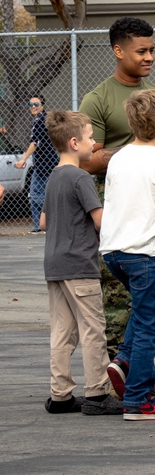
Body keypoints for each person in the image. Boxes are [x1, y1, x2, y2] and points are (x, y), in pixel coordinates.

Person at [79, 17, 155, 364]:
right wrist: (140, 146)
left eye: (152, 50)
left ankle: (137, 373)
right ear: (118, 50)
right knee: (118, 298)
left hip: (154, 210)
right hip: (118, 214)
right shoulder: (98, 98)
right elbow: (88, 160)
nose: (149, 57)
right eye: (141, 51)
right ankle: (117, 373)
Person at [99, 90, 155, 420]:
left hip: (112, 252)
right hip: (143, 254)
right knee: (149, 325)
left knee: (140, 310)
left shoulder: (117, 158)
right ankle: (138, 399)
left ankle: (123, 360)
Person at [40, 110, 120, 416]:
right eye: (89, 138)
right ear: (74, 143)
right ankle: (98, 392)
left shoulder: (54, 177)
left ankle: (60, 394)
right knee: (92, 328)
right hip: (79, 265)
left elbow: (45, 222)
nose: (94, 143)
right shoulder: (81, 178)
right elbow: (100, 221)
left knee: (62, 330)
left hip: (54, 265)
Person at [15, 95, 59, 233]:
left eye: (36, 104)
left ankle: (41, 225)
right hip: (45, 163)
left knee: (36, 194)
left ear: (43, 105)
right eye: (30, 104)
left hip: (44, 165)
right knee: (41, 193)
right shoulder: (43, 119)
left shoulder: (40, 121)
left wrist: (23, 159)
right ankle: (44, 224)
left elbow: (35, 143)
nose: (33, 107)